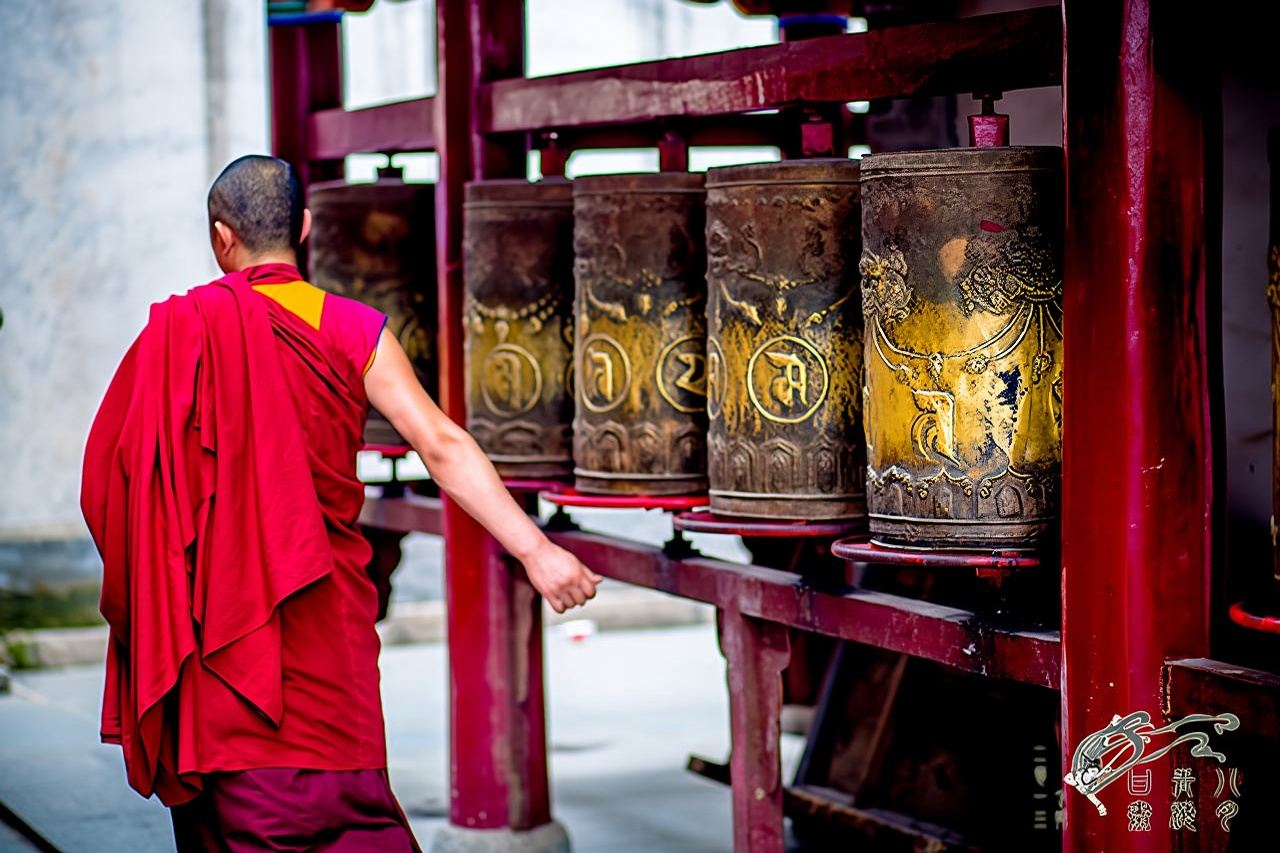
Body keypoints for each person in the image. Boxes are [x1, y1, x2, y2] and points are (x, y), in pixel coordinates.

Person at [80, 155, 601, 852]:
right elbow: (441, 443)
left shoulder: (180, 334)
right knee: (350, 816)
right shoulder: (352, 328)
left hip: (219, 639)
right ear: (305, 228)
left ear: (220, 239)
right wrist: (537, 550)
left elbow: (112, 486)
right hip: (328, 626)